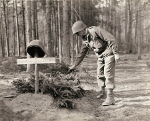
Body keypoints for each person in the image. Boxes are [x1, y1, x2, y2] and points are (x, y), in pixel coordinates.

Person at [69, 21, 120, 106]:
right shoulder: (85, 39)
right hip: (100, 56)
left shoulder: (95, 31)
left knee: (108, 74)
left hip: (109, 54)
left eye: (78, 33)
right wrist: (74, 65)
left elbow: (111, 38)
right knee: (99, 74)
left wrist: (116, 53)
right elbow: (82, 53)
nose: (77, 35)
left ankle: (110, 97)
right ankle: (102, 92)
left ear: (82, 29)